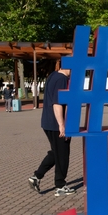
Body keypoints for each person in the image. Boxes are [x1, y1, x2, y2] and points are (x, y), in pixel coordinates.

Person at [27, 68, 76, 197]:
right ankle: (60, 186)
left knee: (56, 153)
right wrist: (62, 125)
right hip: (56, 124)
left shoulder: (53, 75)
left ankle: (36, 177)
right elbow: (57, 103)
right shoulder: (62, 79)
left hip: (48, 122)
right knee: (63, 155)